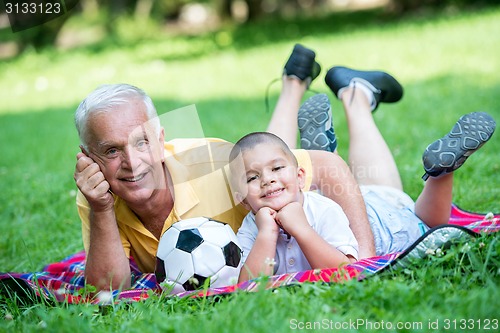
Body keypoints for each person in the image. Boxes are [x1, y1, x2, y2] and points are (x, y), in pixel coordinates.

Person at [73, 45, 375, 291]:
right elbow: (106, 292)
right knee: (267, 160)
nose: (131, 162)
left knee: (266, 160)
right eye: (111, 150)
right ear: (89, 158)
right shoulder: (99, 193)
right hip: (275, 216)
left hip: (305, 205)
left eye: (141, 143)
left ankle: (354, 94)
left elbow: (330, 167)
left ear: (161, 138)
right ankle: (294, 82)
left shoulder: (211, 162)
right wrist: (101, 209)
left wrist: (366, 262)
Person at [270, 44, 496, 256]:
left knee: (263, 165)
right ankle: (351, 96)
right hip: (381, 219)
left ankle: (441, 174)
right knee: (387, 201)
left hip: (344, 221)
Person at [228, 132, 358, 282]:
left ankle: (328, 150)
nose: (267, 179)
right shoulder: (250, 227)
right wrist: (267, 234)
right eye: (252, 178)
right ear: (243, 201)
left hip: (380, 220)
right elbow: (246, 288)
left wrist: (302, 229)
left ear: (300, 177)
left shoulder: (325, 210)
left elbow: (346, 274)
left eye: (276, 168)